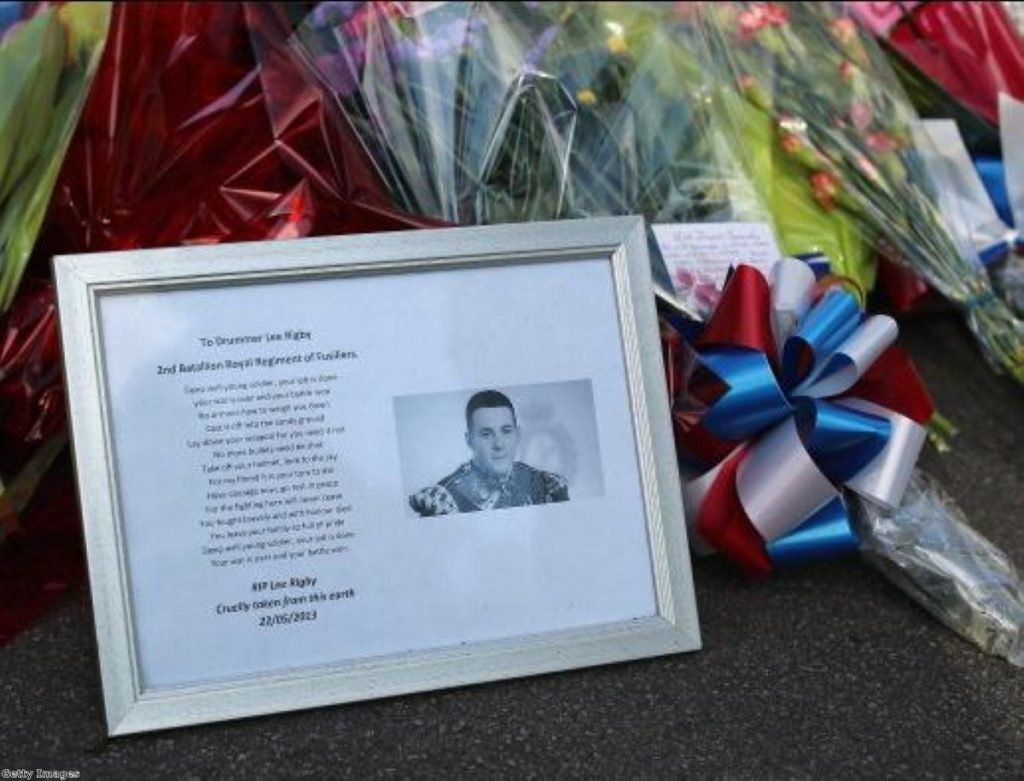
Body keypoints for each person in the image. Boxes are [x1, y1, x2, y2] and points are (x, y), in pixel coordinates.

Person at [409, 390, 569, 516]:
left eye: (506, 431)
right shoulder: (444, 500)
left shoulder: (545, 485)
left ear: (517, 435)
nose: (499, 444)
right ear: (469, 440)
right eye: (486, 434)